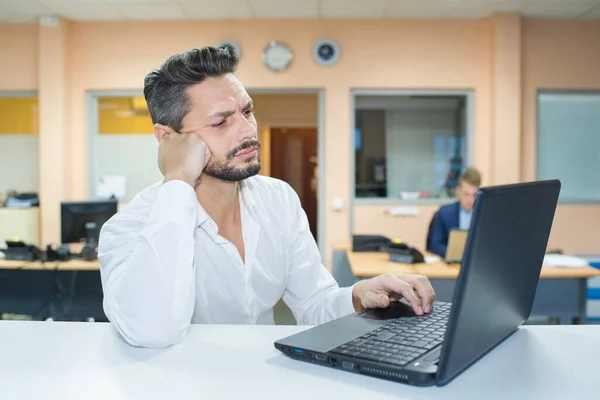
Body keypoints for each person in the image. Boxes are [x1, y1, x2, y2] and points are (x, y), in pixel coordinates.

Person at [98, 47, 435, 349]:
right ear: (167, 138)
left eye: (247, 111)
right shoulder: (130, 227)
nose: (247, 130)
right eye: (221, 122)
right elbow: (151, 331)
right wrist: (177, 181)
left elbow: (313, 305)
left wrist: (358, 296)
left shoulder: (278, 200)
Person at [429, 167, 482, 258]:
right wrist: (455, 254)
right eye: (466, 194)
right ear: (458, 190)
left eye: (474, 195)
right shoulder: (444, 214)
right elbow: (435, 246)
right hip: (450, 264)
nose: (470, 200)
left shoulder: (483, 215)